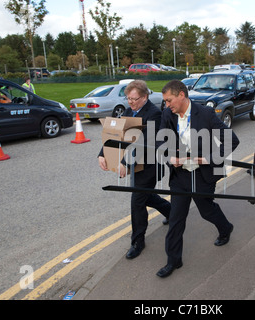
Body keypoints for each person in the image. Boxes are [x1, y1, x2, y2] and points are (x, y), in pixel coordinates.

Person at [156, 80, 239, 277]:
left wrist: (208, 158)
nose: (167, 105)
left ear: (182, 95)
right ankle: (173, 261)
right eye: (165, 101)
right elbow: (160, 140)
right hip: (180, 175)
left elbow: (232, 140)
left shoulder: (207, 114)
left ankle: (225, 228)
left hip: (203, 174)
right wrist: (170, 157)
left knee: (206, 211)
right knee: (176, 218)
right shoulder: (168, 114)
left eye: (169, 100)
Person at [98, 80, 170, 260]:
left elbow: (143, 143)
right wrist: (103, 154)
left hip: (150, 166)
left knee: (137, 201)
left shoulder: (154, 114)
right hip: (135, 165)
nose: (130, 102)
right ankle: (171, 211)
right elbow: (117, 136)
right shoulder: (129, 112)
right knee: (147, 197)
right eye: (128, 98)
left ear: (145, 97)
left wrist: (124, 162)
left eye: (134, 99)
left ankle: (138, 242)